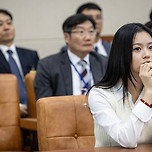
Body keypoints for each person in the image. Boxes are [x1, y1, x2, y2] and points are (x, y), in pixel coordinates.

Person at [88, 23, 152, 148]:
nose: (147, 55)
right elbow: (128, 140)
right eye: (137, 49)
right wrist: (149, 93)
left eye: (151, 47)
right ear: (121, 54)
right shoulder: (99, 94)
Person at [34, 14, 108, 100]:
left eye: (91, 31)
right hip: (65, 112)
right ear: (66, 37)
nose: (88, 37)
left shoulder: (104, 63)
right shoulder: (48, 65)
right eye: (81, 32)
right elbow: (45, 105)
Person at [0, 9, 39, 117]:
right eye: (0, 24)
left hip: (34, 110)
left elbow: (40, 83)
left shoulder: (31, 54)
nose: (6, 27)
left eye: (9, 23)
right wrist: (14, 106)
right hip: (5, 113)